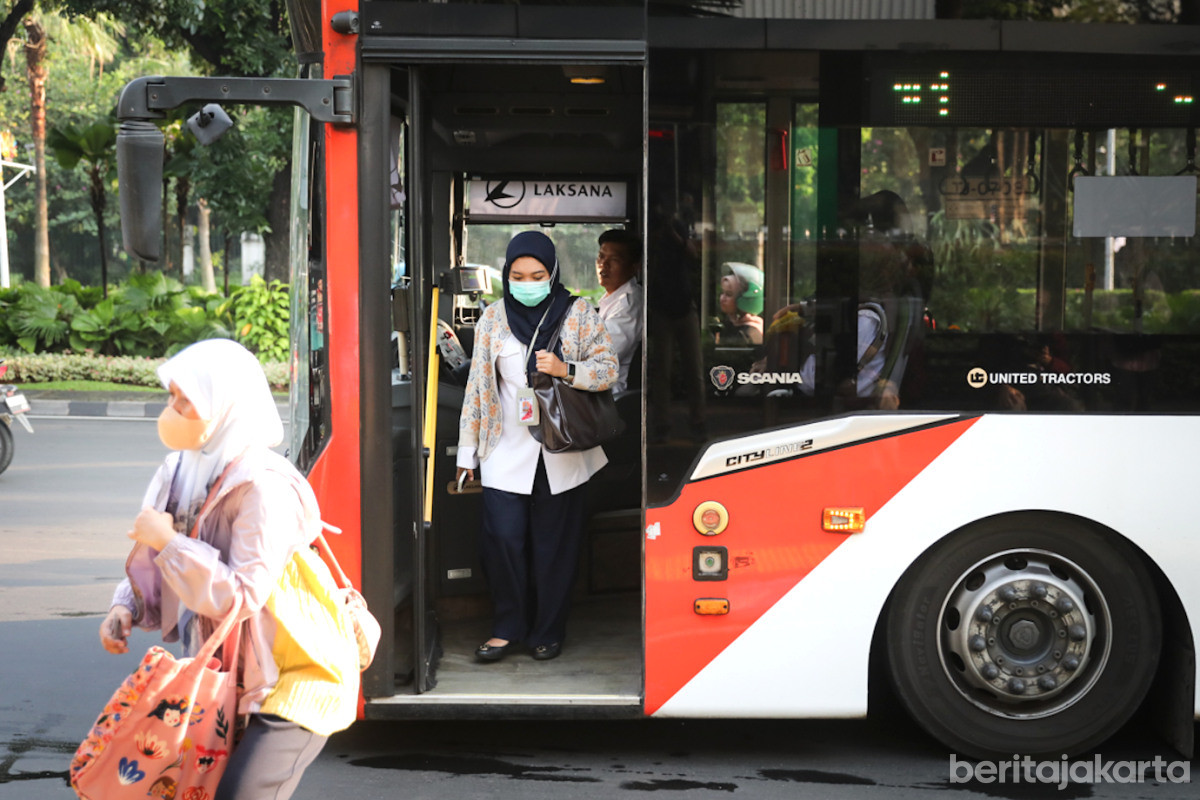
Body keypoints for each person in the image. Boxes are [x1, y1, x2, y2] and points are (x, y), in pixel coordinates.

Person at [98, 339, 358, 800]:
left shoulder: (264, 486)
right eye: (171, 397)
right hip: (224, 677)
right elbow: (161, 561)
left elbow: (241, 595)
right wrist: (126, 606)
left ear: (225, 407)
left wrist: (168, 541)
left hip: (296, 672)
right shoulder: (179, 469)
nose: (172, 411)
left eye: (186, 401)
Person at [455, 231, 618, 662]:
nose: (528, 282)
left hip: (562, 452)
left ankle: (548, 630)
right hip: (504, 450)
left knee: (554, 548)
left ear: (553, 274)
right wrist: (466, 454)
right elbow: (477, 389)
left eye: (538, 274)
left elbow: (608, 370)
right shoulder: (492, 319)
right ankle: (508, 627)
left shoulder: (578, 313)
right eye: (518, 275)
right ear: (506, 275)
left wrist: (566, 369)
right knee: (504, 540)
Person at [595, 228, 643, 393]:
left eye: (614, 259)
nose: (604, 264)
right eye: (601, 257)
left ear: (634, 267)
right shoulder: (613, 299)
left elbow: (600, 356)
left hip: (608, 397)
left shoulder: (628, 305)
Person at [716, 262, 764, 346]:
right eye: (722, 293)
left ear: (745, 299)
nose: (722, 298)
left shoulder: (748, 334)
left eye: (729, 294)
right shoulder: (731, 325)